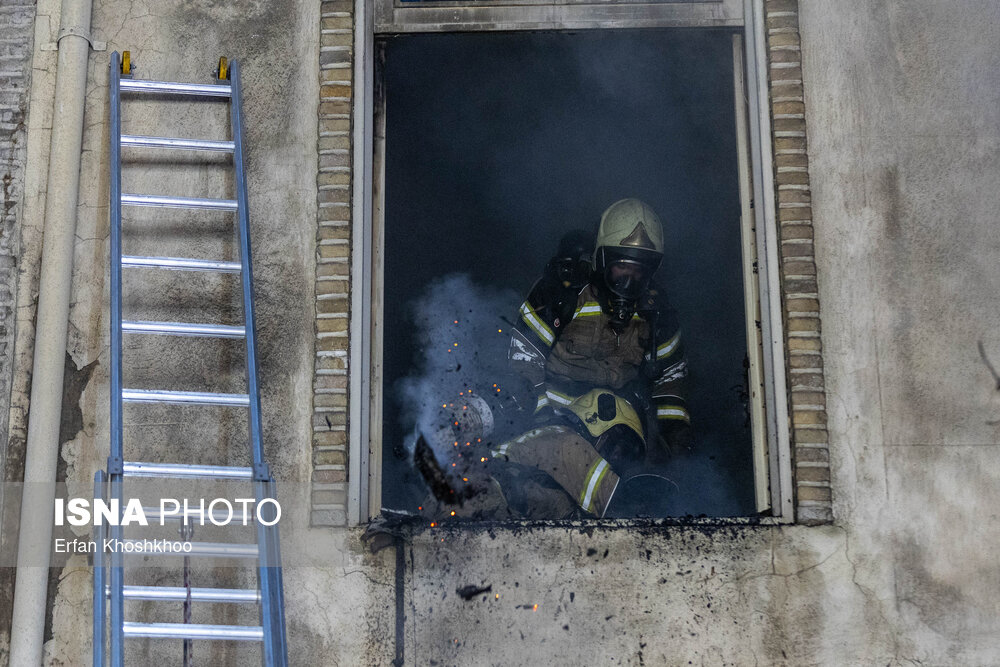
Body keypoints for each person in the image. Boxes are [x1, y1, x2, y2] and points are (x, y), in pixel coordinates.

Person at [491, 198, 690, 519]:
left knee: (631, 493)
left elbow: (671, 388)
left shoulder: (658, 313)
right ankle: (623, 512)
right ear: (601, 259)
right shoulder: (561, 294)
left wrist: (677, 456)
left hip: (617, 435)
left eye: (640, 270)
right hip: (554, 423)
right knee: (556, 470)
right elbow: (522, 365)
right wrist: (542, 417)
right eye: (622, 266)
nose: (630, 279)